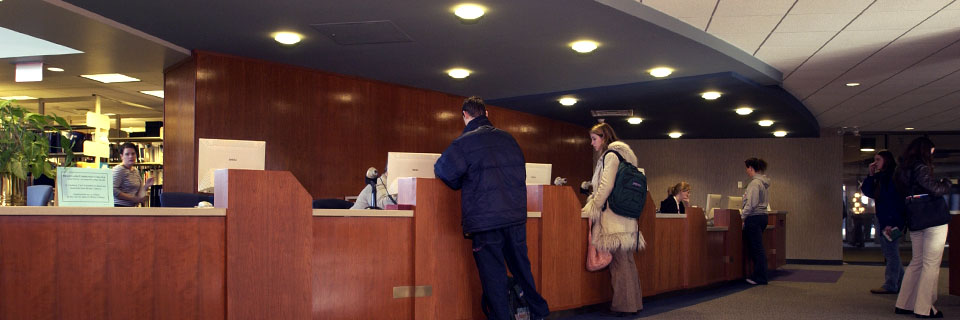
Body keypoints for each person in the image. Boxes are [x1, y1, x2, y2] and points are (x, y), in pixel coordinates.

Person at [434, 96, 549, 320]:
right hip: (514, 217)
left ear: (464, 116)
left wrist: (462, 182)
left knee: (494, 277)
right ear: (487, 114)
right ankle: (540, 313)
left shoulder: (464, 143)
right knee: (522, 270)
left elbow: (443, 170)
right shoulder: (509, 139)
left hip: (485, 222)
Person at [581, 122, 643, 316]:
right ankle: (634, 303)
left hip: (612, 217)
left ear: (604, 137)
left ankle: (624, 306)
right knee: (627, 262)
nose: (591, 143)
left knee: (619, 264)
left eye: (594, 138)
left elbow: (606, 186)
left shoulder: (610, 156)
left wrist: (593, 206)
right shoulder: (626, 157)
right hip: (627, 216)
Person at [894, 137, 950, 318]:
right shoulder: (921, 167)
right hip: (933, 218)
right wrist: (946, 184)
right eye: (932, 151)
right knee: (930, 264)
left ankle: (904, 304)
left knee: (917, 261)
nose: (933, 154)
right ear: (926, 150)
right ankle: (924, 308)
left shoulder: (902, 169)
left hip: (915, 218)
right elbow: (935, 189)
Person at [861, 150, 906, 295]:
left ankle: (891, 284)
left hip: (891, 220)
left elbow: (894, 202)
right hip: (883, 218)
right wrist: (871, 174)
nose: (875, 163)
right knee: (890, 252)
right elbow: (868, 191)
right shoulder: (881, 177)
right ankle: (902, 282)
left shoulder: (893, 177)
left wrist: (890, 223)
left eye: (878, 160)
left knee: (891, 253)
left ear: (886, 160)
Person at [741, 157, 770, 285]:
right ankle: (760, 275)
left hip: (754, 217)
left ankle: (760, 276)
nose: (746, 171)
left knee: (756, 248)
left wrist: (742, 216)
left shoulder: (754, 183)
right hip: (763, 216)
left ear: (751, 168)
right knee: (758, 247)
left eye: (747, 168)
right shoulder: (763, 183)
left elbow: (751, 203)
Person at [113, 142, 154, 207]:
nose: (131, 156)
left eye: (133, 154)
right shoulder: (119, 170)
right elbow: (113, 190)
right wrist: (132, 198)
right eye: (127, 154)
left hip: (132, 207)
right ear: (121, 156)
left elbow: (139, 194)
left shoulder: (136, 171)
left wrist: (146, 186)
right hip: (119, 207)